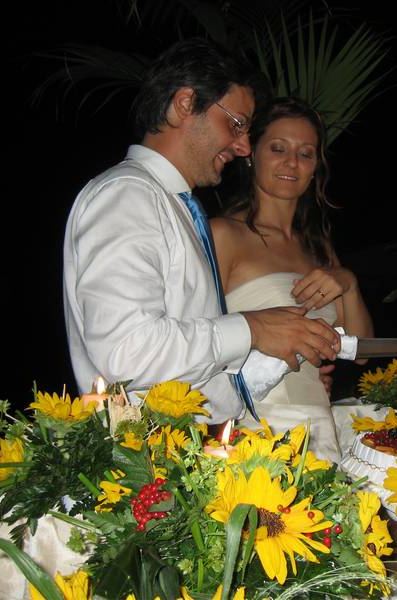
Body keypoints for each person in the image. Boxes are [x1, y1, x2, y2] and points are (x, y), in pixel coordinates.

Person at [63, 39, 341, 424]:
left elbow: (199, 378)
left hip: (188, 447)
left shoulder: (176, 207)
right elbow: (128, 353)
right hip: (145, 452)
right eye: (237, 124)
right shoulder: (128, 195)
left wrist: (282, 368)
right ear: (185, 104)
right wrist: (252, 328)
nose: (243, 147)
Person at [210, 97, 374, 462]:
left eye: (306, 153)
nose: (292, 163)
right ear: (251, 154)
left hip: (319, 427)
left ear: (316, 166)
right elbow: (198, 336)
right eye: (278, 148)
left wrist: (348, 282)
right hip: (256, 428)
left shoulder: (318, 247)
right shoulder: (223, 234)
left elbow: (361, 352)